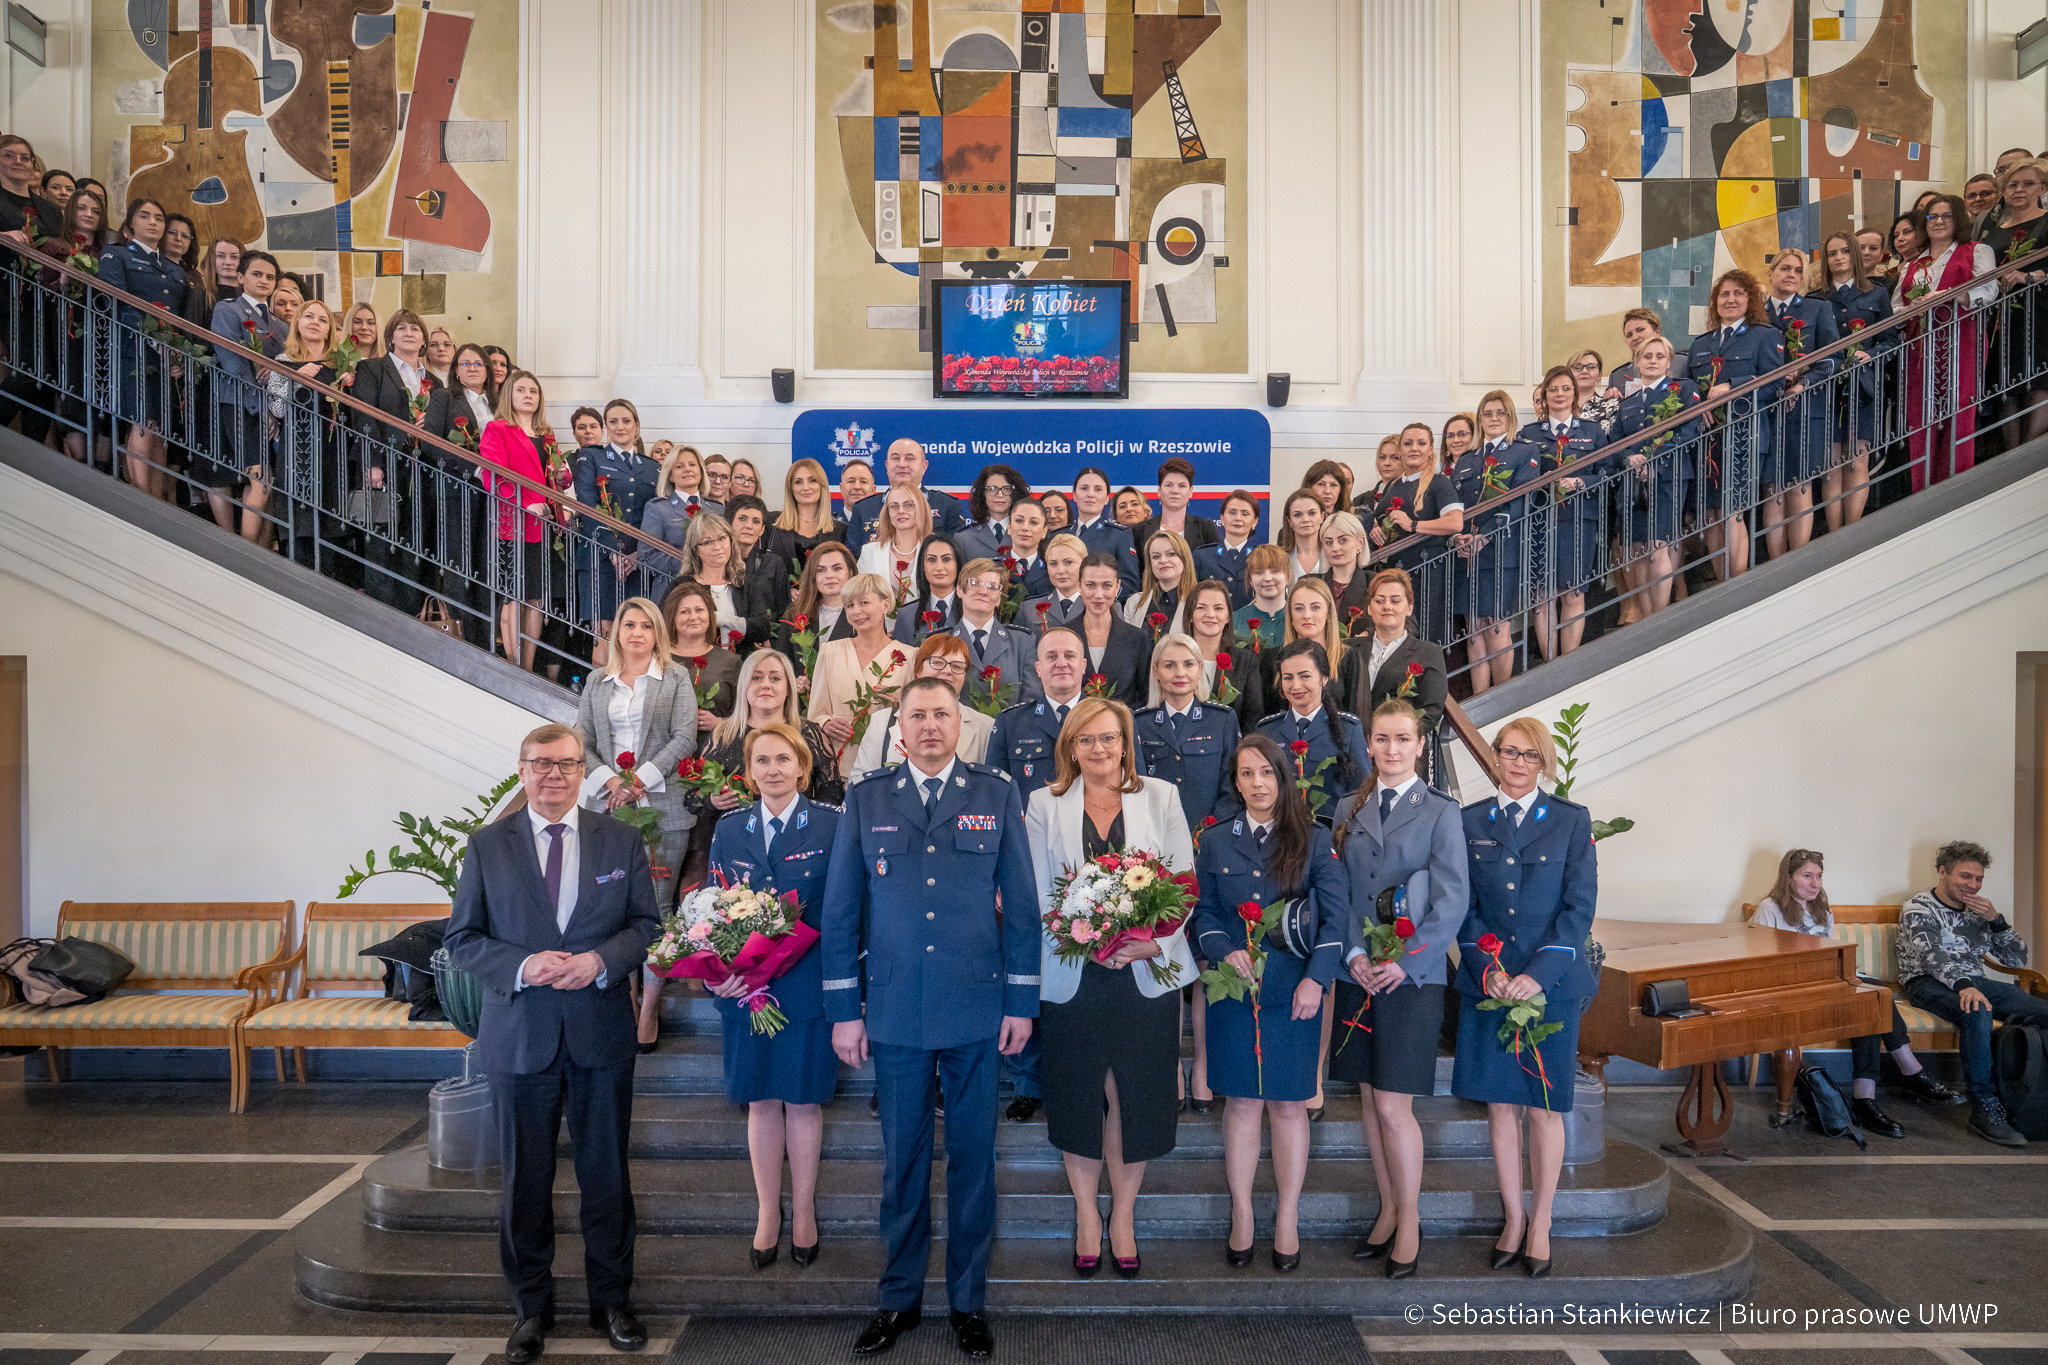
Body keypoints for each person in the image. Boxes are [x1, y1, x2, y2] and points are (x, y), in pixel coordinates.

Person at [821, 678, 1037, 1359]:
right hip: (895, 1010)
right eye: (917, 715)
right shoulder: (867, 797)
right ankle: (898, 1299)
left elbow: (1024, 908)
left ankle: (968, 1303)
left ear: (960, 724)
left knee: (975, 1162)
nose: (930, 725)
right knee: (903, 1165)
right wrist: (842, 1011)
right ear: (898, 729)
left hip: (975, 1006)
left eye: (942, 713)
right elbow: (840, 910)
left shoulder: (995, 792)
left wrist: (1022, 1002)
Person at [443, 722, 657, 1364]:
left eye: (567, 764)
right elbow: (462, 937)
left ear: (582, 770)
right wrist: (522, 965)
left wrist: (598, 960)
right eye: (542, 764)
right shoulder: (487, 846)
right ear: (522, 769)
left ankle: (611, 1301)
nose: (555, 775)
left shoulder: (620, 839)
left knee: (606, 1177)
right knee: (525, 1182)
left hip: (599, 1032)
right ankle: (530, 1309)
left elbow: (648, 924)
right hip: (520, 1035)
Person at [1025, 697, 1196, 1281]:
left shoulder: (1162, 796)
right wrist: (1085, 936)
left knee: (1136, 1096)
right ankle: (1085, 1216)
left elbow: (1183, 885)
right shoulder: (1043, 805)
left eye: (1109, 738)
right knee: (1078, 1094)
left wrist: (1156, 943)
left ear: (1126, 742)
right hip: (1074, 973)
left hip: (1144, 971)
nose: (1099, 749)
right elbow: (1038, 892)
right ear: (1070, 748)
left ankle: (1122, 1215)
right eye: (1086, 740)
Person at [1328, 699, 1468, 1279]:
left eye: (1401, 739)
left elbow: (1452, 900)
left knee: (1393, 1103)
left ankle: (1410, 1221)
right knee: (1367, 1097)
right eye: (1381, 739)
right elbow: (1338, 892)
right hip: (1359, 973)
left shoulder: (1440, 812)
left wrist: (1404, 961)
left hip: (1412, 977)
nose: (1390, 749)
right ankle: (1387, 1209)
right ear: (1370, 747)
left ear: (1418, 746)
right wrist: (1355, 953)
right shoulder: (1347, 806)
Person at [1195, 734, 1346, 1271]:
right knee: (1240, 1105)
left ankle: (1287, 1216)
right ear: (1234, 782)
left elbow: (1335, 920)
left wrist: (1317, 981)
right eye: (1246, 774)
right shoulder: (1215, 842)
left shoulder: (1315, 839)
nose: (1257, 783)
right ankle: (1242, 1214)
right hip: (1235, 993)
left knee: (1286, 1106)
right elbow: (1205, 914)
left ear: (1282, 778)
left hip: (1293, 994)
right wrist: (1223, 949)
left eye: (1267, 773)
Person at [1450, 717, 1593, 1278]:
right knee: (1500, 1105)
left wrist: (1536, 975)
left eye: (1528, 755)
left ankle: (1543, 1221)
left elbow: (1578, 910)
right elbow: (1462, 907)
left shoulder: (1569, 822)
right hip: (1490, 985)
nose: (1516, 762)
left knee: (1545, 1106)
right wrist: (1486, 970)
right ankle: (1513, 1216)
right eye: (1508, 752)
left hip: (1550, 987)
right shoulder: (1467, 822)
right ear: (1495, 759)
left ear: (1544, 764)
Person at [655, 647, 844, 1048]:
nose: (766, 684)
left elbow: (833, 795)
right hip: (737, 864)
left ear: (790, 687)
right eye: (757, 677)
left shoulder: (811, 733)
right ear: (743, 686)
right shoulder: (722, 734)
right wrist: (713, 801)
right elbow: (691, 798)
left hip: (802, 872)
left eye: (776, 677)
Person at [702, 722, 841, 1268]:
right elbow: (712, 910)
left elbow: (843, 909)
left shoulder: (832, 823)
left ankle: (803, 1212)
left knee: (803, 1102)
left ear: (803, 767)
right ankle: (768, 1212)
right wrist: (718, 972)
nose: (774, 770)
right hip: (746, 988)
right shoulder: (729, 828)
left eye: (784, 759)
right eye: (762, 760)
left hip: (806, 985)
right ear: (749, 770)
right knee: (761, 1100)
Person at [1749, 848, 1962, 1137]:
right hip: (1792, 988)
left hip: (1829, 981)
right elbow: (1760, 963)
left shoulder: (1822, 909)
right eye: (1807, 876)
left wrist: (1846, 968)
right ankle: (1907, 1073)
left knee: (1872, 999)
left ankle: (1866, 1098)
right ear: (1788, 878)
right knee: (1872, 997)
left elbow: (1831, 951)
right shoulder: (1769, 909)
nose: (1815, 883)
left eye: (1819, 876)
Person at [983, 622, 1091, 1122]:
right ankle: (1027, 1081)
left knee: (1079, 978)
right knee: (1026, 968)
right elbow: (995, 803)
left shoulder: (1104, 718)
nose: (1062, 663)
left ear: (1085, 664)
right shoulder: (1010, 723)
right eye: (1052, 656)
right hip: (1026, 868)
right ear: (1037, 666)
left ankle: (1075, 1077)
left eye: (1071, 655)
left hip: (1091, 869)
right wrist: (999, 875)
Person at [1898, 840, 2048, 1147]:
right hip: (1927, 983)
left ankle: (2027, 1092)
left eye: (1978, 878)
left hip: (1975, 982)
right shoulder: (1918, 907)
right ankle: (1984, 1107)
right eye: (1965, 876)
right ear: (1943, 873)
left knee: (2044, 1012)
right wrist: (1964, 985)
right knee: (1976, 1011)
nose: (1973, 885)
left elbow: (2017, 960)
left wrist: (1996, 920)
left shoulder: (1980, 912)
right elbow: (1932, 957)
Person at [574, 594, 698, 915]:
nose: (637, 632)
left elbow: (684, 737)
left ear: (657, 633)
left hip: (663, 807)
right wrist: (615, 784)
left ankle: (660, 967)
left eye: (646, 626)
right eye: (629, 625)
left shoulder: (676, 676)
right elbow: (581, 742)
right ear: (617, 632)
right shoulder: (596, 681)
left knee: (658, 905)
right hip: (605, 806)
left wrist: (638, 781)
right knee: (607, 904)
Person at [1688, 269, 1787, 580]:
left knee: (1733, 512)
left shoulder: (1765, 335)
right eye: (1724, 294)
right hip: (1707, 441)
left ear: (1751, 299)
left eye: (1738, 293)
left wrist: (1733, 386)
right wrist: (1696, 405)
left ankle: (1737, 585)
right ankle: (1721, 586)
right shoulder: (1701, 343)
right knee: (1712, 515)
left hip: (1744, 436)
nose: (1730, 299)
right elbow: (1689, 388)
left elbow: (1776, 384)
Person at [1897, 194, 1997, 490]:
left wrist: (1951, 296)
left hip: (1960, 340)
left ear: (1959, 220)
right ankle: (1922, 487)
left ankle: (1956, 486)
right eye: (1932, 217)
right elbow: (1895, 309)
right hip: (1920, 347)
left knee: (1958, 408)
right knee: (1921, 414)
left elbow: (1989, 290)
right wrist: (1910, 310)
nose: (1939, 221)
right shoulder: (1911, 264)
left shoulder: (1976, 250)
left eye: (1946, 216)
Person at [1607, 339, 1704, 620]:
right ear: (1637, 362)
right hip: (1634, 483)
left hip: (1668, 477)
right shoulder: (1628, 404)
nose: (1652, 360)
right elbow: (1615, 443)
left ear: (1668, 361)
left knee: (1658, 546)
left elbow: (1689, 429)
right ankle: (1644, 616)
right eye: (1646, 356)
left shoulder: (1683, 389)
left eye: (1659, 356)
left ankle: (1658, 617)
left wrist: (1654, 462)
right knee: (1636, 548)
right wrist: (1629, 459)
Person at [97, 198, 188, 500]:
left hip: (166, 357)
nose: (153, 222)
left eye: (159, 218)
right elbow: (117, 299)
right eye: (144, 216)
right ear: (130, 224)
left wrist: (177, 353)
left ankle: (157, 497)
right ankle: (141, 495)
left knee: (160, 431)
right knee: (143, 423)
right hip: (133, 350)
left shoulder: (173, 269)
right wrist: (154, 338)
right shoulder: (117, 253)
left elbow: (180, 318)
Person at [1521, 367, 1613, 661]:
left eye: (1565, 389)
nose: (1559, 394)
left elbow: (1609, 475)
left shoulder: (1592, 431)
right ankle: (1550, 663)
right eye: (1553, 390)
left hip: (1578, 521)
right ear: (1545, 397)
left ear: (1575, 395)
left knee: (1573, 592)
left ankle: (1568, 663)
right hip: (1541, 521)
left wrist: (1581, 482)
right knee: (1543, 596)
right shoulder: (1528, 434)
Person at [1760, 249, 1840, 556]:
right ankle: (1776, 562)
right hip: (1768, 413)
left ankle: (1798, 562)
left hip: (1804, 409)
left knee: (1799, 485)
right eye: (1784, 268)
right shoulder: (1756, 314)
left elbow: (1832, 357)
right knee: (1772, 490)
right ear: (1771, 274)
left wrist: (1803, 383)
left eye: (1797, 270)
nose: (1791, 274)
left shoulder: (1817, 309)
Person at [575, 400, 663, 668]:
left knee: (635, 636)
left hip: (637, 564)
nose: (620, 426)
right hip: (599, 559)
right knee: (605, 631)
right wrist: (611, 548)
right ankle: (603, 703)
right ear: (606, 427)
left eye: (626, 421)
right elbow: (588, 504)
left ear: (637, 427)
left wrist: (638, 555)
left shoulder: (652, 467)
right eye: (613, 422)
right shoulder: (592, 456)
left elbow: (654, 516)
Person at [207, 247, 287, 538]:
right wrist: (264, 407)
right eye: (257, 274)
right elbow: (234, 363)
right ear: (240, 277)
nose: (264, 280)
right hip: (241, 405)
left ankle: (263, 553)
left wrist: (276, 409)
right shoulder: (228, 310)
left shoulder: (282, 326)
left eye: (270, 276)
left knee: (271, 485)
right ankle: (247, 553)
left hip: (273, 413)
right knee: (260, 481)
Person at [480, 371, 556, 670]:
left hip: (542, 523)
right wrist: (527, 504)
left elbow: (552, 478)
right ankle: (514, 665)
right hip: (511, 523)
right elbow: (493, 476)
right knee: (514, 595)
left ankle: (528, 665)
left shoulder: (546, 434)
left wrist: (561, 479)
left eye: (534, 391)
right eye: (521, 390)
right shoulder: (497, 428)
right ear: (509, 394)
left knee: (535, 598)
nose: (528, 395)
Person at [1818, 231, 1892, 531]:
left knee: (1858, 461)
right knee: (1832, 465)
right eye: (1832, 253)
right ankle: (1835, 533)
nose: (1838, 258)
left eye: (1845, 252)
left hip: (1864, 386)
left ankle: (1853, 531)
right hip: (1829, 387)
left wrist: (1871, 354)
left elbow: (1890, 340)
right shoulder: (1816, 297)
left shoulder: (1877, 293)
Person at [1364, 423, 1465, 642]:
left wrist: (1413, 525)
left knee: (1424, 638)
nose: (1414, 448)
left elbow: (1456, 522)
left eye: (1421, 443)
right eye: (1408, 443)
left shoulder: (1440, 483)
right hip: (1394, 575)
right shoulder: (1393, 485)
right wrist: (1374, 528)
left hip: (1428, 574)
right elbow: (1380, 517)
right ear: (1400, 450)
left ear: (1431, 449)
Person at [808, 572, 912, 781]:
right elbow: (815, 714)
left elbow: (916, 716)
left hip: (887, 768)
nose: (856, 611)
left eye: (864, 602)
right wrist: (826, 722)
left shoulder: (910, 656)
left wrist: (899, 707)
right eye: (849, 605)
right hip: (836, 770)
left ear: (885, 605)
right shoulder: (830, 651)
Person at [1135, 633, 1242, 828]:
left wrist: (1210, 831)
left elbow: (1233, 787)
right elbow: (1135, 786)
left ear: (1200, 669)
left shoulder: (1222, 720)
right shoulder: (1139, 723)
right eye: (1169, 665)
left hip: (1208, 836)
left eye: (1188, 664)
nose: (1180, 673)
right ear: (1156, 671)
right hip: (1155, 835)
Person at [1254, 639, 1367, 825]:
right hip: (1279, 835)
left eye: (1304, 676)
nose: (1296, 686)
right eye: (1288, 677)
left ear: (1324, 678)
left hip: (1332, 837)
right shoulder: (1267, 731)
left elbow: (1362, 794)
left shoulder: (1349, 729)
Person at [851, 632, 994, 772]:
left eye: (957, 666)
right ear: (918, 669)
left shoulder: (985, 727)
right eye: (938, 662)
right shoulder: (881, 721)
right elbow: (861, 783)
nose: (948, 670)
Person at [1983, 159, 2048, 450]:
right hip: (2002, 316)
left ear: (2043, 188)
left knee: (2039, 381)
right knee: (2006, 382)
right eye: (2013, 184)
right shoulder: (1993, 231)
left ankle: (2028, 454)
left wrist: (2033, 275)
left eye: (2028, 183)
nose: (2019, 189)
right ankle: (2010, 457)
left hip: (2041, 311)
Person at [947, 557, 1041, 707]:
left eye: (992, 587)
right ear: (959, 589)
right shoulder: (940, 641)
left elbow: (1031, 700)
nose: (983, 591)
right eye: (975, 583)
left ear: (999, 598)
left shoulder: (1022, 642)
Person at [845, 438, 966, 550]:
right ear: (887, 466)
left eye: (909, 458)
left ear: (924, 466)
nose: (902, 464)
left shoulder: (946, 505)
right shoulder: (863, 508)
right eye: (896, 458)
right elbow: (853, 560)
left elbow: (955, 556)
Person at [678, 511, 769, 649]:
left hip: (739, 666)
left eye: (721, 538)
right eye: (708, 542)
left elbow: (763, 629)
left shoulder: (743, 583)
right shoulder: (681, 585)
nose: (717, 547)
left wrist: (720, 619)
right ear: (695, 550)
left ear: (731, 541)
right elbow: (666, 625)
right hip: (694, 664)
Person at [1185, 578, 1264, 731]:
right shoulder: (1174, 659)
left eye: (1218, 608)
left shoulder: (1245, 661)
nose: (1210, 614)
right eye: (1201, 608)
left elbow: (1253, 719)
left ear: (1228, 616)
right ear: (1190, 615)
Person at [664, 579, 742, 728]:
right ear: (672, 617)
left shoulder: (731, 662)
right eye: (684, 611)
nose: (693, 617)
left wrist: (722, 724)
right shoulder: (658, 659)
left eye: (699, 610)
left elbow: (745, 715)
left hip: (715, 746)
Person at [1075, 552, 1151, 704]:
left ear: (1117, 587)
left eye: (1107, 586)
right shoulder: (1064, 635)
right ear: (1079, 586)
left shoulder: (1137, 638)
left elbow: (1144, 696)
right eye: (1090, 585)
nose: (1099, 594)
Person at [1276, 574, 1362, 705]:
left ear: (1328, 613)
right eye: (1299, 608)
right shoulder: (1274, 658)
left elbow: (1357, 715)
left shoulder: (1348, 658)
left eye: (1315, 607)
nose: (1307, 615)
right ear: (1291, 615)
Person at [641, 445, 721, 581]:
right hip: (673, 587)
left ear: (701, 473)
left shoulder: (718, 509)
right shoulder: (657, 508)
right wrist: (692, 561)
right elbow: (646, 557)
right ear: (670, 476)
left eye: (692, 465)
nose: (687, 469)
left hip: (712, 588)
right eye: (679, 466)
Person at [776, 541, 859, 672]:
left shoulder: (864, 615)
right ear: (812, 576)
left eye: (837, 568)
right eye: (821, 570)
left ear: (851, 572)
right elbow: (782, 663)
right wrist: (794, 682)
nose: (829, 575)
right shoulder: (794, 613)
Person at [857, 483, 935, 602]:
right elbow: (860, 596)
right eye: (894, 506)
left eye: (908, 505)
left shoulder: (934, 550)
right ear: (887, 512)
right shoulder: (870, 551)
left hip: (922, 620)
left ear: (921, 509)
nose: (901, 511)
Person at [1068, 468, 1142, 591]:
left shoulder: (1119, 535)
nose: (1090, 494)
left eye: (1098, 489)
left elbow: (1129, 585)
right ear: (1074, 495)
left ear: (1107, 498)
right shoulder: (1060, 535)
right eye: (1084, 488)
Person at [768, 457, 845, 567]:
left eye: (812, 480)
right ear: (791, 488)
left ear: (821, 485)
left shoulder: (840, 530)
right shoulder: (772, 523)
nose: (805, 487)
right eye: (798, 482)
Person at [889, 531, 961, 643]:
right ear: (922, 566)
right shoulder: (906, 615)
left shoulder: (973, 611)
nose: (939, 567)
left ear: (958, 564)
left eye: (946, 559)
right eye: (931, 560)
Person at [1122, 529, 1195, 637]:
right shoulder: (1133, 603)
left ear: (1184, 558)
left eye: (1171, 554)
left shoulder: (1197, 603)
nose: (1163, 560)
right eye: (1156, 556)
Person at [1136, 456, 1220, 551]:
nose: (1175, 491)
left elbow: (1215, 563)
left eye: (1182, 486)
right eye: (1169, 485)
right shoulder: (1140, 529)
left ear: (1190, 491)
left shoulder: (1205, 528)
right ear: (1159, 490)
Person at [1194, 489, 1261, 607]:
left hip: (1249, 624)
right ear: (1222, 518)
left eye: (1245, 514)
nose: (1238, 518)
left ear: (1254, 522)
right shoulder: (1202, 555)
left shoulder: (1261, 557)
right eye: (1232, 512)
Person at [956, 463, 1027, 561]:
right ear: (982, 494)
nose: (999, 494)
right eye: (992, 489)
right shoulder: (964, 538)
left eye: (1006, 489)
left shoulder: (1026, 533)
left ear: (1015, 494)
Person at [1315, 509, 1372, 630]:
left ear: (1360, 543)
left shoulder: (1375, 583)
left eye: (1343, 540)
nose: (1335, 548)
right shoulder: (1311, 583)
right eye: (1329, 542)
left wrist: (1370, 633)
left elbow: (1407, 624)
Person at [1018, 531, 1087, 629]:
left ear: (1084, 565)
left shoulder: (1102, 606)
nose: (1060, 571)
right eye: (1053, 564)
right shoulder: (1028, 609)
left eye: (1068, 562)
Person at [1234, 545, 1289, 654]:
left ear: (1288, 576)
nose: (1268, 578)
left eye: (1275, 571)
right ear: (1250, 579)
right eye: (1259, 572)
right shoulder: (1234, 621)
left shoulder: (1299, 618)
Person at [1000, 496, 1052, 599]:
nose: (1025, 527)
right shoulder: (993, 569)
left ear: (1044, 531)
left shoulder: (1051, 573)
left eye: (1033, 522)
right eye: (1019, 520)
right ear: (1009, 527)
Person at [1277, 488, 1326, 582]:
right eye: (1297, 515)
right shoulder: (1278, 558)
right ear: (1289, 521)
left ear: (1321, 517)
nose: (1305, 519)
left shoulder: (1333, 554)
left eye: (1312, 513)